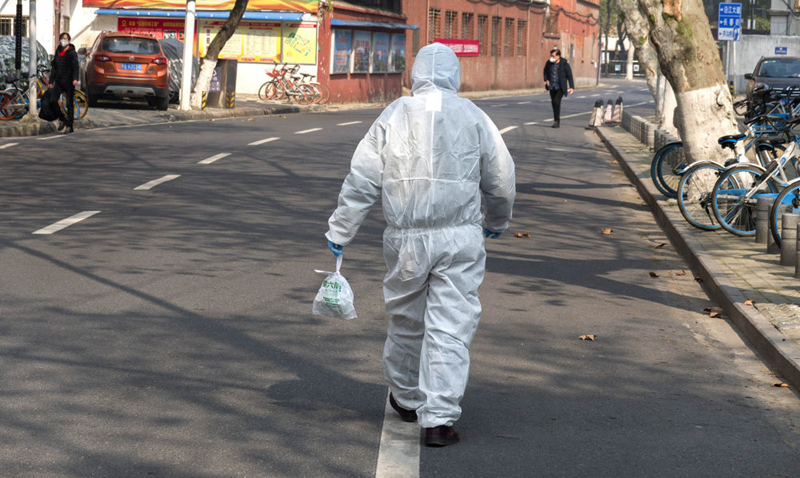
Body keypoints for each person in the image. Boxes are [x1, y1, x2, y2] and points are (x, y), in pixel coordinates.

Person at [324, 43, 515, 447]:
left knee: (407, 320)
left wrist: (341, 231)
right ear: (454, 74)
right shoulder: (473, 116)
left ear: (416, 75)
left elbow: (362, 178)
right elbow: (500, 178)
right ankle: (439, 420)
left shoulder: (394, 114)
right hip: (459, 238)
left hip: (406, 239)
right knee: (451, 326)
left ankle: (407, 398)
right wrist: (497, 221)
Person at [49, 32, 79, 134]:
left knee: (69, 104)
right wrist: (51, 81)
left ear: (69, 41)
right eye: (62, 38)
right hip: (58, 81)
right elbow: (54, 67)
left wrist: (75, 79)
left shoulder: (72, 53)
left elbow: (75, 67)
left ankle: (70, 126)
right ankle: (62, 119)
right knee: (52, 100)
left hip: (69, 82)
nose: (63, 41)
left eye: (65, 39)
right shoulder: (58, 51)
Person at [543, 47, 574, 128]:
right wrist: (546, 80)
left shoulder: (564, 64)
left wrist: (571, 87)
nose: (551, 57)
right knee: (553, 103)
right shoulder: (549, 63)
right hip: (551, 86)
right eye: (551, 56)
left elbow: (569, 76)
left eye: (553, 56)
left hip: (560, 87)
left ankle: (557, 121)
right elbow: (545, 71)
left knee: (557, 102)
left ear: (558, 56)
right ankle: (555, 119)